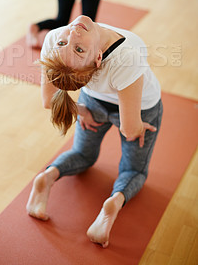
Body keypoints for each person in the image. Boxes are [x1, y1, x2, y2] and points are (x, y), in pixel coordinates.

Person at [26, 15, 163, 248]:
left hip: (93, 104)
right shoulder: (127, 56)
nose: (71, 35)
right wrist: (142, 127)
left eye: (66, 44)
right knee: (134, 170)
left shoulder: (53, 38)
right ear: (98, 59)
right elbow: (130, 128)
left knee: (82, 154)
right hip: (140, 108)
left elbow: (48, 101)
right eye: (77, 49)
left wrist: (81, 110)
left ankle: (47, 177)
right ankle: (113, 202)